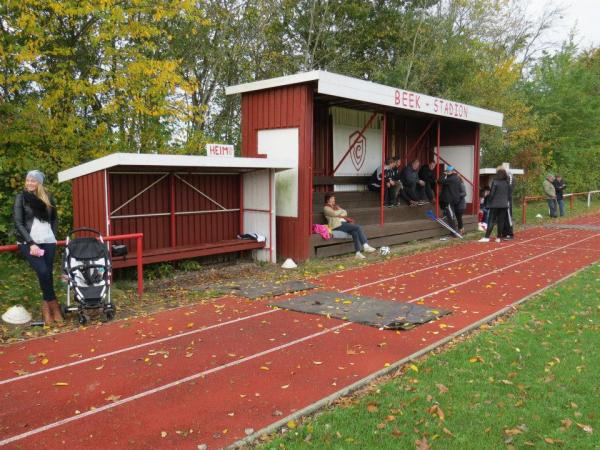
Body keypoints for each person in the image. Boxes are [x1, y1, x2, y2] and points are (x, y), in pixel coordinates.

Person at [13, 170, 63, 325]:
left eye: (33, 181)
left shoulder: (48, 197)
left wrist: (53, 236)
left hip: (48, 240)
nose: (29, 183)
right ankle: (53, 307)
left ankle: (46, 309)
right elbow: (18, 222)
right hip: (29, 242)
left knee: (47, 273)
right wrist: (31, 243)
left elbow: (54, 219)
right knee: (42, 271)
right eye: (28, 180)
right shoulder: (21, 198)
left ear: (39, 183)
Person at [323, 193, 376, 259]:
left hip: (343, 223)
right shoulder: (326, 208)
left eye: (334, 198)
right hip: (337, 225)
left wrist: (340, 211)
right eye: (332, 198)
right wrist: (340, 211)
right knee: (357, 227)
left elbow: (345, 212)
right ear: (328, 200)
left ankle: (358, 253)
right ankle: (365, 245)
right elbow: (333, 213)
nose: (334, 199)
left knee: (355, 232)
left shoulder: (336, 206)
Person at [478, 168, 511, 242]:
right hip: (504, 205)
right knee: (501, 221)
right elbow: (509, 194)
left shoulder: (495, 182)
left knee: (491, 220)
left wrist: (488, 201)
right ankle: (498, 237)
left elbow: (492, 194)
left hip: (494, 204)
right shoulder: (507, 183)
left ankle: (486, 237)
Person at [439, 166, 462, 233]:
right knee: (451, 214)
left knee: (451, 216)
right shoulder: (456, 178)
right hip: (453, 199)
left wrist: (444, 174)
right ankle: (455, 230)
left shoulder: (451, 178)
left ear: (452, 171)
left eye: (448, 171)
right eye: (447, 171)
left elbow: (440, 181)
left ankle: (454, 232)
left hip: (449, 200)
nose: (447, 172)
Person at [502, 167, 515, 239]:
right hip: (504, 199)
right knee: (504, 216)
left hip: (507, 200)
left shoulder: (510, 177)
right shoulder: (507, 178)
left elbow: (509, 189)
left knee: (508, 216)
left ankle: (510, 233)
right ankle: (504, 233)